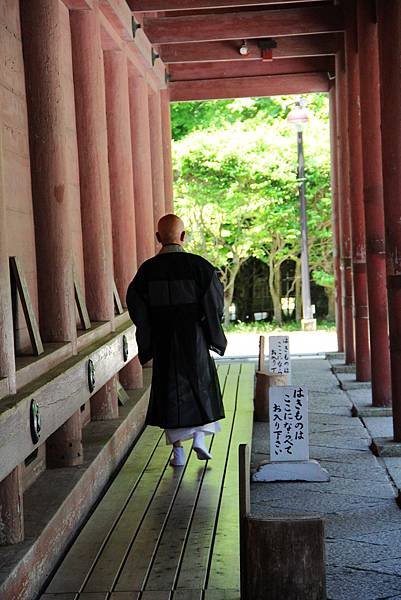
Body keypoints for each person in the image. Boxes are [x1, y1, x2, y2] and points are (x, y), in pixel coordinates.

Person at [126, 214, 227, 466]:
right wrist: (209, 328)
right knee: (200, 385)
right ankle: (200, 441)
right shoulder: (200, 267)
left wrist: (150, 331)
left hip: (164, 339)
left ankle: (178, 451)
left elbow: (136, 305)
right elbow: (215, 304)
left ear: (158, 238)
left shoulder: (147, 271)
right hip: (194, 338)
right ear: (183, 237)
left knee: (170, 392)